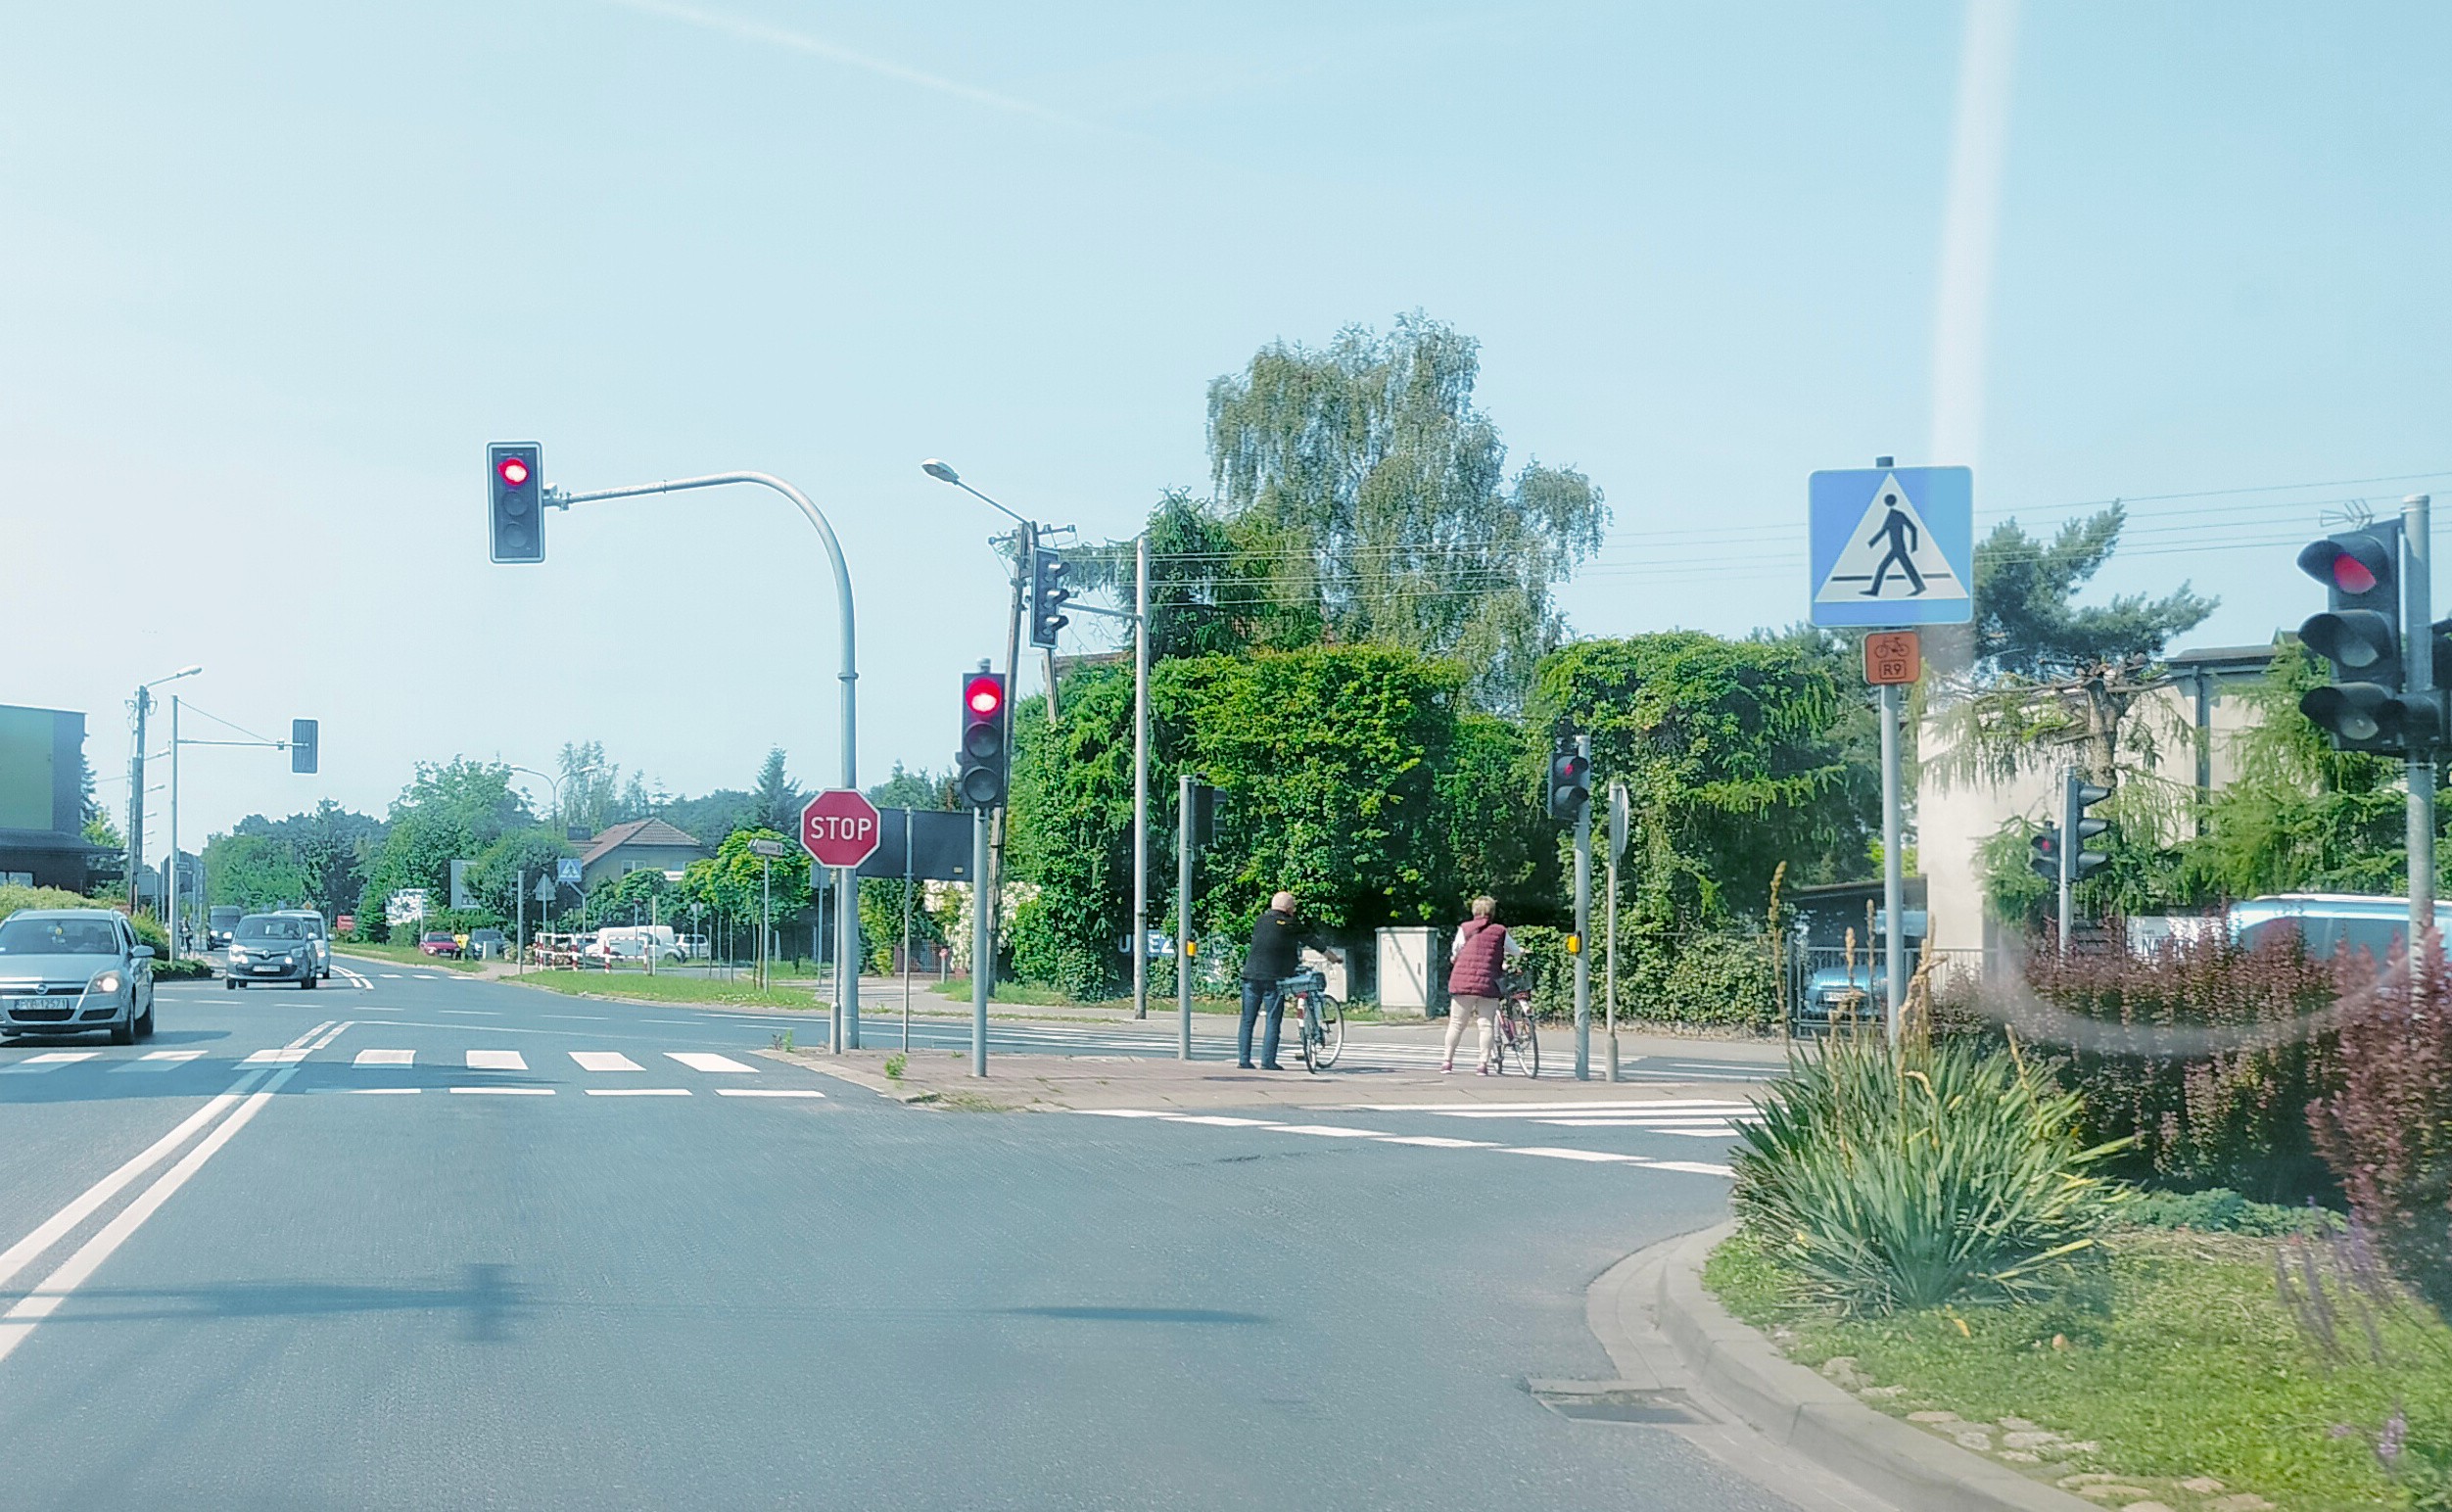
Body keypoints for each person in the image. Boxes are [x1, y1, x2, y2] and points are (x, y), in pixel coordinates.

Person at [1239, 890, 1334, 1070]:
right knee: (1273, 1019)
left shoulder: (1260, 921)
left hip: (1250, 975)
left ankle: (1244, 1060)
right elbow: (1313, 941)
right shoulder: (1290, 924)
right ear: (1289, 908)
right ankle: (1268, 1062)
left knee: (1247, 1020)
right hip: (1273, 979)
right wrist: (1332, 957)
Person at [1442, 895, 1524, 1074]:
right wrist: (1520, 953)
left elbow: (1456, 950)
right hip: (1488, 982)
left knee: (1456, 1023)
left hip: (1463, 981)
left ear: (1474, 911)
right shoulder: (1500, 931)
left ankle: (1447, 1062)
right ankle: (1482, 1065)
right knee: (1486, 1024)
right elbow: (1515, 951)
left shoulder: (1464, 928)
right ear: (1492, 912)